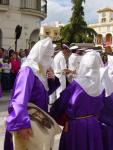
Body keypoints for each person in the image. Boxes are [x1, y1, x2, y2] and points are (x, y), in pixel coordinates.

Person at [4, 37, 60, 150]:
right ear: (39, 55)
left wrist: (51, 79)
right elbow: (19, 99)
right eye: (47, 56)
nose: (49, 60)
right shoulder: (27, 71)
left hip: (37, 122)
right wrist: (21, 125)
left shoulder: (38, 71)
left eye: (50, 57)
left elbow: (42, 94)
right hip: (27, 124)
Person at [50, 51, 104, 150]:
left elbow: (61, 103)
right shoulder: (101, 86)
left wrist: (51, 115)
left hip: (76, 128)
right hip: (94, 126)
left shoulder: (76, 85)